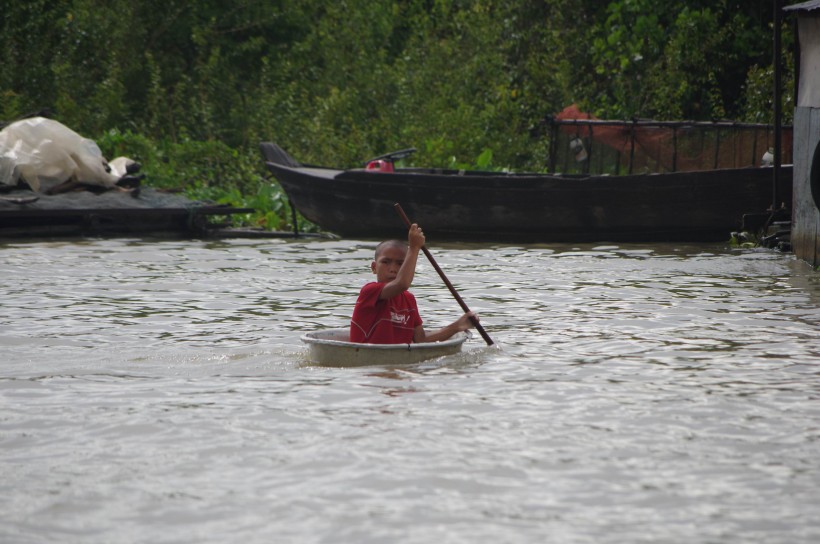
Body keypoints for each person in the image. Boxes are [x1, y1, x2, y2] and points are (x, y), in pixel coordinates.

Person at [350, 223, 477, 344]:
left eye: (400, 264)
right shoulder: (370, 291)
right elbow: (402, 284)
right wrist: (414, 247)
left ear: (408, 267)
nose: (393, 269)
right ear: (374, 267)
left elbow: (420, 340)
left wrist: (457, 326)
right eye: (386, 262)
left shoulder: (409, 300)